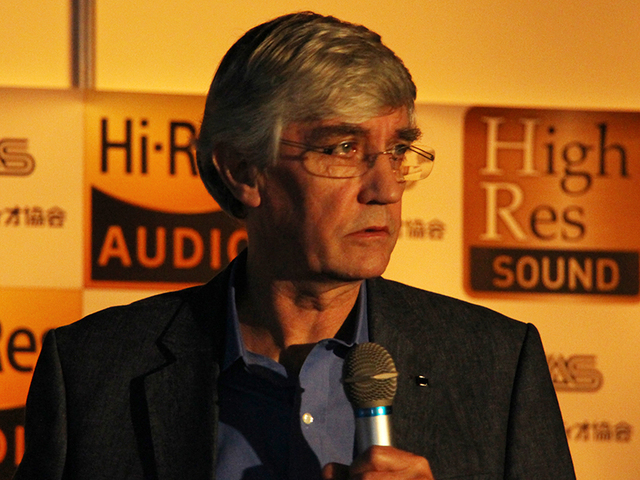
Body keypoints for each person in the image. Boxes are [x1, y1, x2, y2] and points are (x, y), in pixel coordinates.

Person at [15, 11, 575, 480]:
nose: (384, 189)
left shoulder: (496, 367)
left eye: (398, 150)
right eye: (343, 147)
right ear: (243, 170)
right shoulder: (93, 370)